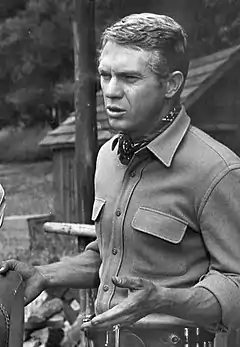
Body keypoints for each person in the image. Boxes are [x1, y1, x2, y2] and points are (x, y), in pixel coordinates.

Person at [2, 12, 240, 347]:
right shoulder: (107, 159)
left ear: (171, 84)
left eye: (129, 78)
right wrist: (45, 274)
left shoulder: (217, 171)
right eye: (105, 75)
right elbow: (109, 255)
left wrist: (164, 299)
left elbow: (236, 282)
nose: (110, 91)